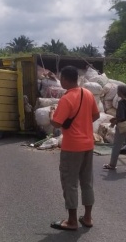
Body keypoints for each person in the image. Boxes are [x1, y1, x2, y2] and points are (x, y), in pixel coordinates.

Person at [49, 66, 100, 231]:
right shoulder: (88, 94)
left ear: (64, 79)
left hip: (72, 147)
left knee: (70, 182)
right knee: (87, 181)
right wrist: (83, 124)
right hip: (88, 145)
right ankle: (87, 217)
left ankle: (72, 221)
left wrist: (51, 114)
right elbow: (96, 115)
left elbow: (57, 122)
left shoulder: (67, 98)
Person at [103, 84, 126, 173]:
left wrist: (114, 122)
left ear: (120, 92)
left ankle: (112, 165)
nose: (117, 92)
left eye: (118, 91)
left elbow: (121, 116)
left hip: (122, 127)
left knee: (117, 146)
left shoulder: (121, 102)